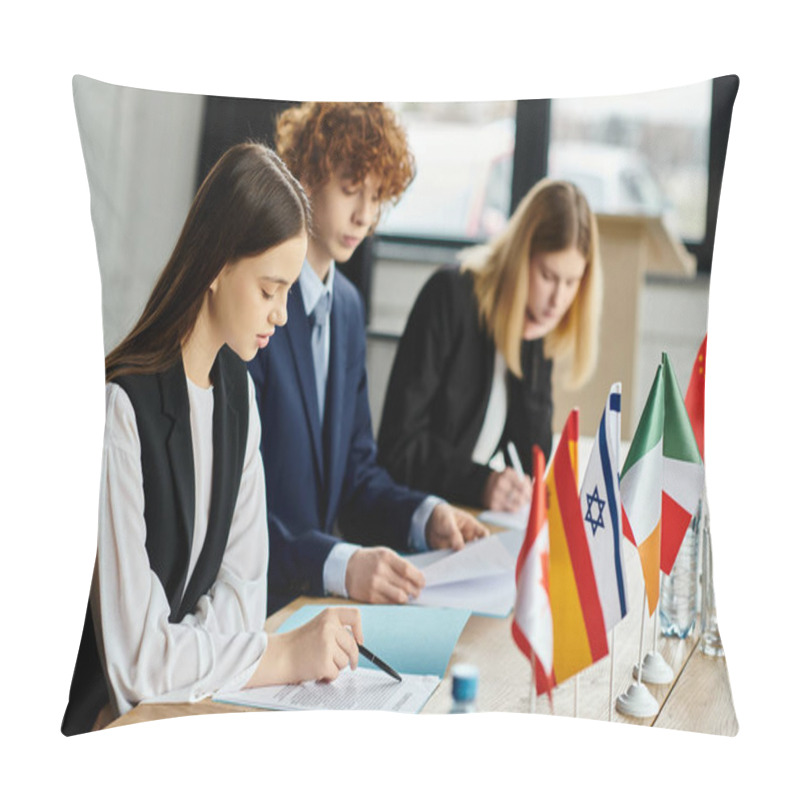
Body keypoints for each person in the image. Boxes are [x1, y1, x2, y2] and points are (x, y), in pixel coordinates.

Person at [62, 143, 364, 736]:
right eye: (269, 289)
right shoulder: (120, 409)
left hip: (188, 709)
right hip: (102, 724)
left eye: (287, 293)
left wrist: (201, 654)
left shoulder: (238, 396)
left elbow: (243, 600)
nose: (281, 315)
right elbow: (136, 666)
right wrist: (278, 654)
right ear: (217, 267)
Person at [248, 102, 488, 615]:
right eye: (351, 189)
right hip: (253, 605)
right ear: (305, 175)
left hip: (314, 604)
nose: (365, 215)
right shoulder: (256, 305)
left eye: (377, 197)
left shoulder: (348, 309)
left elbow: (357, 475)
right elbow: (235, 507)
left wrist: (425, 515)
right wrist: (340, 562)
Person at [377, 178, 602, 512]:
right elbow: (398, 448)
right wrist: (480, 483)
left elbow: (532, 462)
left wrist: (533, 349)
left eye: (571, 282)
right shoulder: (450, 296)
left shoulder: (537, 325)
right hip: (411, 517)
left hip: (465, 520)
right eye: (548, 276)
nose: (558, 299)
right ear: (519, 257)